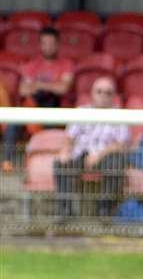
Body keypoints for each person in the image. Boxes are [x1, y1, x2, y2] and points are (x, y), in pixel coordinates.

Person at [54, 77, 130, 217]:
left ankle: (104, 211)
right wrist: (65, 151)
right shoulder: (81, 111)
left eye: (108, 92)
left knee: (116, 163)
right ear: (92, 93)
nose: (103, 95)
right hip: (81, 153)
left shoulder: (119, 114)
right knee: (60, 162)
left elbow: (121, 144)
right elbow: (69, 137)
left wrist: (98, 155)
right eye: (99, 91)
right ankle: (65, 211)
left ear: (113, 96)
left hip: (106, 155)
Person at [19, 27, 74, 109]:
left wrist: (38, 85)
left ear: (58, 44)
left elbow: (63, 89)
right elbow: (23, 90)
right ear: (40, 45)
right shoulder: (32, 64)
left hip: (58, 110)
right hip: (34, 108)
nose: (48, 47)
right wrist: (53, 87)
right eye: (44, 43)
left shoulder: (67, 64)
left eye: (51, 43)